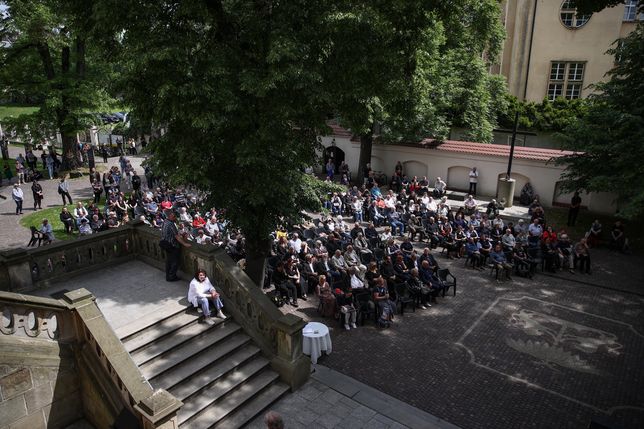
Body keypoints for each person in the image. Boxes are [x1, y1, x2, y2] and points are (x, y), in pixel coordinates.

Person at [161, 208, 192, 282]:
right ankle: (171, 277)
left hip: (166, 244)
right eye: (173, 215)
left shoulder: (165, 222)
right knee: (175, 262)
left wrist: (180, 234)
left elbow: (171, 234)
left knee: (169, 261)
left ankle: (168, 275)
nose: (175, 216)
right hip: (172, 246)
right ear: (170, 215)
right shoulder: (170, 224)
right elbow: (176, 237)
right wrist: (185, 243)